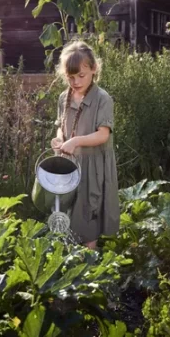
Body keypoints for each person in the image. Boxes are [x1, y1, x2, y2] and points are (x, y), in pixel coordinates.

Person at [51, 40, 119, 249]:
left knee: (90, 209)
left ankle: (90, 266)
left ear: (93, 69)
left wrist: (76, 141)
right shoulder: (64, 97)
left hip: (93, 165)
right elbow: (61, 126)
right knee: (69, 209)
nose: (76, 82)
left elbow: (102, 135)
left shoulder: (102, 99)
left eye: (81, 76)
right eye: (71, 77)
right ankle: (70, 257)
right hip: (71, 164)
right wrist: (59, 140)